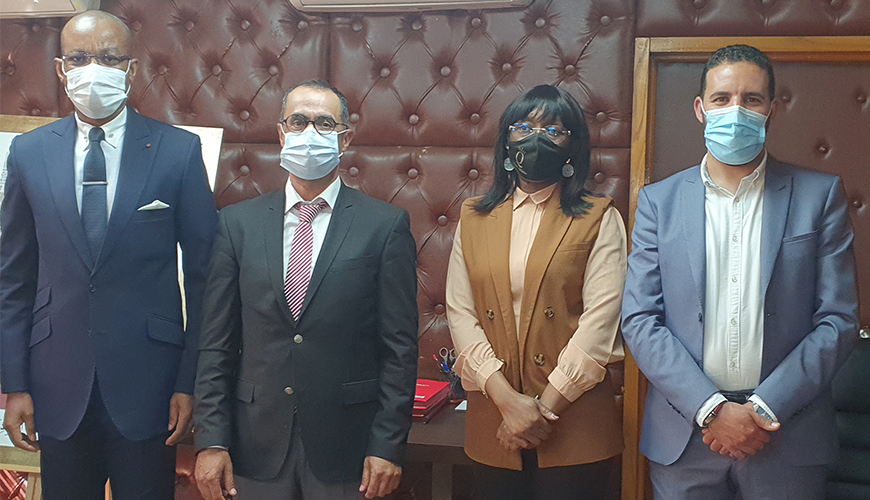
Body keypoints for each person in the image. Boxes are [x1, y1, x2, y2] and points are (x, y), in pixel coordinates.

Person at [621, 44, 859, 500]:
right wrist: (711, 409)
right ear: (701, 109)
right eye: (722, 98)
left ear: (771, 109)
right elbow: (640, 320)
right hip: (686, 436)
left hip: (788, 433)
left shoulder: (819, 196)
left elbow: (838, 320)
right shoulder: (658, 203)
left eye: (751, 99)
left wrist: (764, 408)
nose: (735, 110)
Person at [0, 10, 217, 500]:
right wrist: (15, 385)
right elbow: (14, 277)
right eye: (79, 58)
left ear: (131, 69)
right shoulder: (29, 153)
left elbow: (207, 278)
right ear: (61, 69)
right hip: (55, 381)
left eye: (109, 57)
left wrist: (190, 382)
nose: (92, 69)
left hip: (151, 385)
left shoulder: (178, 151)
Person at [193, 79, 419, 500]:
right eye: (298, 121)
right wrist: (210, 440)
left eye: (324, 123)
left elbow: (399, 349)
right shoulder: (238, 224)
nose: (309, 133)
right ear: (281, 133)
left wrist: (388, 445)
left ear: (345, 138)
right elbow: (216, 343)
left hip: (347, 447)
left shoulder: (384, 226)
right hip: (254, 444)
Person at [445, 84, 626, 500]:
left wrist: (540, 411)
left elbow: (599, 327)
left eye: (554, 131)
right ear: (507, 143)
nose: (536, 138)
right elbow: (461, 314)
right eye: (523, 127)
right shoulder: (474, 217)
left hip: (575, 423)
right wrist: (507, 403)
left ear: (572, 147)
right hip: (493, 418)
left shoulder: (599, 217)